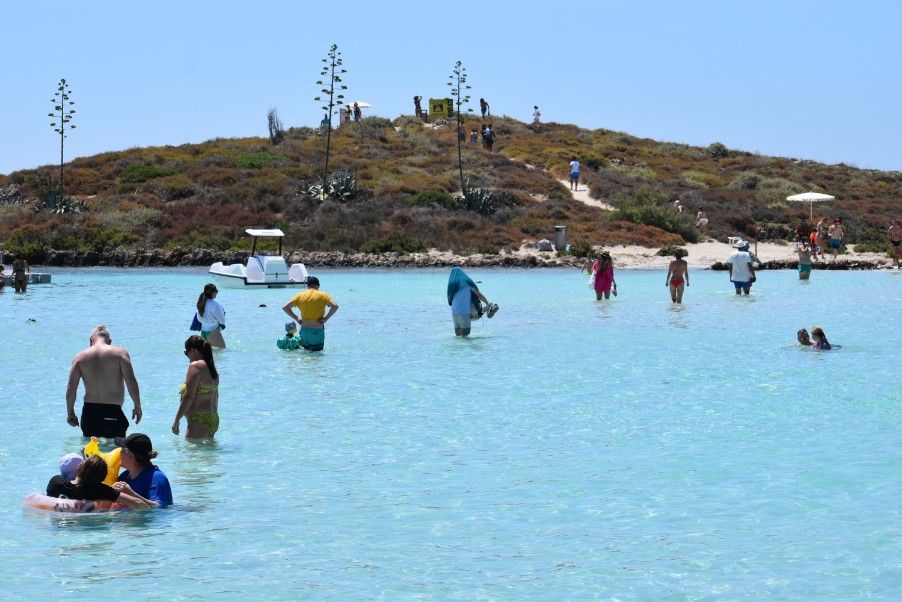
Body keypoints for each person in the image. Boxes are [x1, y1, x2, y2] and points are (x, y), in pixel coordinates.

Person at [66, 324, 142, 439]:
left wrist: (70, 413)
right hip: (112, 412)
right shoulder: (120, 354)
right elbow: (131, 381)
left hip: (89, 414)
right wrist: (137, 405)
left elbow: (71, 388)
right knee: (115, 453)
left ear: (91, 339)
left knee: (91, 454)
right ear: (109, 341)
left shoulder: (79, 358)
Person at [47, 454, 154, 510]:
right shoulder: (101, 490)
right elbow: (137, 503)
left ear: (80, 468)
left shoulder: (56, 482)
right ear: (102, 479)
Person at [172, 335, 220, 439]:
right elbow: (216, 396)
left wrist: (177, 420)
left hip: (198, 419)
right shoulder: (211, 367)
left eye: (186, 353)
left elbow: (189, 396)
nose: (187, 356)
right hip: (213, 418)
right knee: (207, 455)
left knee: (192, 454)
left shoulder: (196, 366)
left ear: (193, 351)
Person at [113, 433, 173, 507]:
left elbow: (160, 508)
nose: (118, 454)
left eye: (121, 451)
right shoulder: (124, 476)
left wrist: (131, 494)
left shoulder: (156, 477)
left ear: (131, 456)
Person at [282, 276, 339, 352]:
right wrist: (325, 319)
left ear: (307, 285)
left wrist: (297, 318)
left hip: (304, 330)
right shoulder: (323, 295)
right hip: (316, 330)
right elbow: (335, 306)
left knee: (306, 354)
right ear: (318, 285)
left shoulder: (300, 295)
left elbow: (285, 307)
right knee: (316, 357)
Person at [447, 267, 495, 337]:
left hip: (454, 313)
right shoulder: (466, 282)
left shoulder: (451, 284)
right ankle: (486, 308)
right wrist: (487, 302)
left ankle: (457, 348)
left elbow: (450, 298)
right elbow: (478, 294)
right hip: (464, 312)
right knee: (465, 336)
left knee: (458, 335)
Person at [196, 283, 226, 349]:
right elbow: (222, 321)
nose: (217, 293)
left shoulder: (200, 303)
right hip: (213, 332)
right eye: (216, 291)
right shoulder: (215, 305)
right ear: (213, 293)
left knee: (208, 356)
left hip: (203, 332)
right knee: (222, 353)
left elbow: (199, 318)